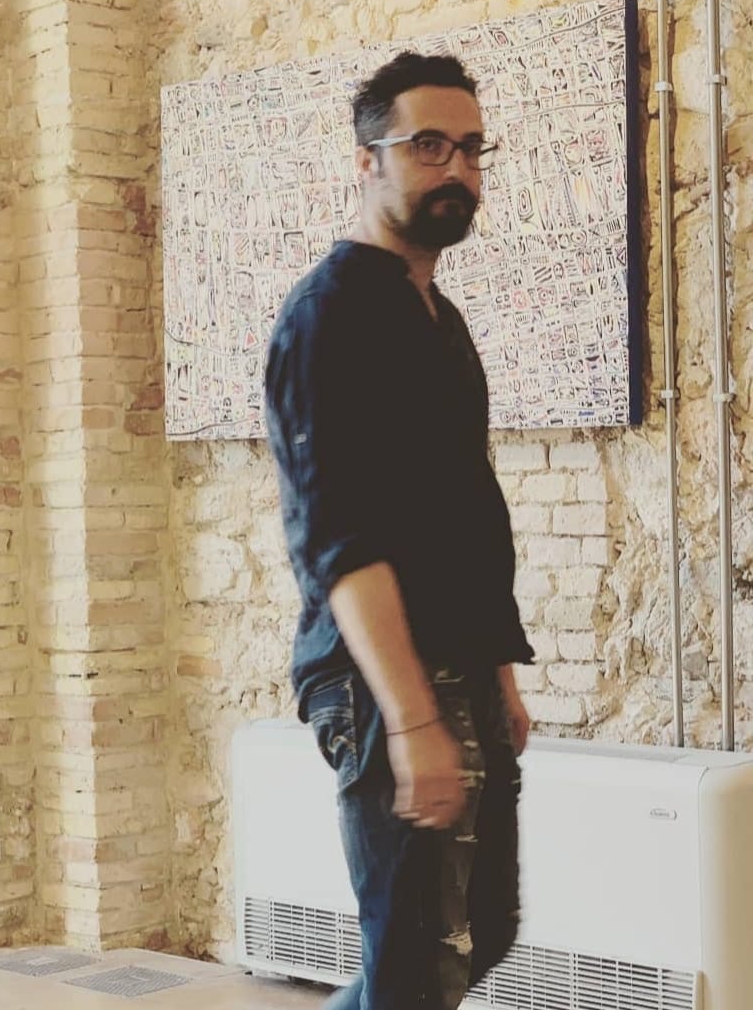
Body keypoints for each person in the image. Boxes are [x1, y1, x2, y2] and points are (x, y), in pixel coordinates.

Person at [263, 52, 535, 1010]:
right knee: (418, 963)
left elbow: (465, 512)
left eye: (470, 148)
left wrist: (498, 674)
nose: (456, 168)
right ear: (366, 160)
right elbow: (339, 539)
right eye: (427, 146)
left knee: (479, 934)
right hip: (381, 680)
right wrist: (413, 718)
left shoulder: (437, 316)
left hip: (459, 662)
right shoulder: (330, 314)